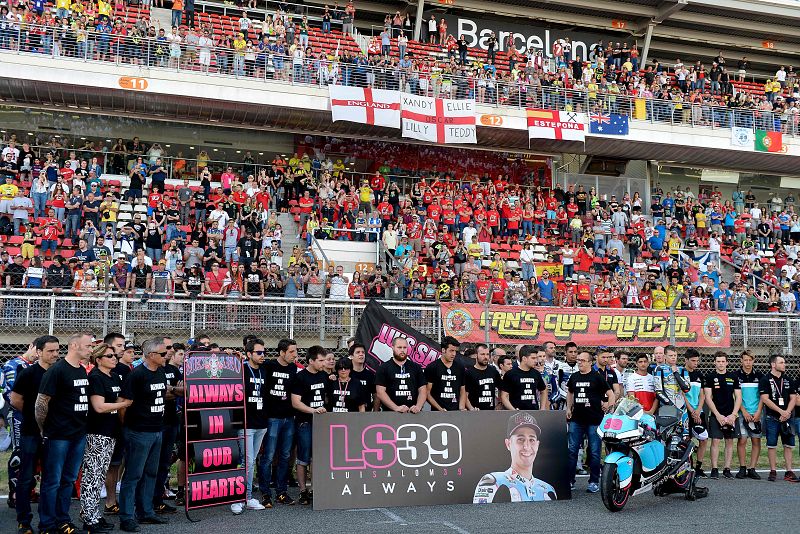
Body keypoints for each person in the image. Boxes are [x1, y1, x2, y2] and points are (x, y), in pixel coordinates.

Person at [35, 332, 93, 534]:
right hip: (58, 435)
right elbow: (41, 403)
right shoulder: (57, 370)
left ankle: (63, 521)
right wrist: (45, 430)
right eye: (88, 346)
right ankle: (47, 525)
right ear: (75, 346)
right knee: (52, 481)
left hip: (78, 434)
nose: (91, 349)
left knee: (68, 480)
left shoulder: (81, 370)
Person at [118, 337, 171, 532]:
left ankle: (146, 512)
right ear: (150, 355)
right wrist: (129, 428)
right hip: (139, 432)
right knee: (133, 475)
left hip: (157, 430)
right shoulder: (137, 375)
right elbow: (123, 402)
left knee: (150, 473)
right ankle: (126, 517)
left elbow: (162, 394)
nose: (167, 355)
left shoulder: (161, 372)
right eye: (163, 353)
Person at [9, 336, 59, 534]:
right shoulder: (28, 374)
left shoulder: (60, 373)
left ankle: (47, 523)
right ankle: (24, 521)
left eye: (57, 350)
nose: (55, 354)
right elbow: (16, 400)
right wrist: (34, 418)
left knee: (51, 480)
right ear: (38, 352)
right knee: (26, 478)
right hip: (30, 433)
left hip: (55, 435)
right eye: (50, 351)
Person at [81, 343, 131, 534]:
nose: (114, 358)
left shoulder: (113, 376)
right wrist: (125, 404)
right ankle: (89, 518)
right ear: (99, 359)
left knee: (100, 475)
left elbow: (116, 400)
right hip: (97, 432)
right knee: (92, 476)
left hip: (111, 431)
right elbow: (99, 406)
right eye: (109, 356)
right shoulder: (95, 377)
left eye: (114, 356)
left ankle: (94, 514)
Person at [473, 412, 557, 503]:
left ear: (537, 445)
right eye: (520, 439)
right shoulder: (494, 482)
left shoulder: (548, 490)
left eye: (532, 440)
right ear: (508, 444)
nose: (527, 446)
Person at [566, 351, 614, 493]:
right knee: (572, 451)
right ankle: (569, 481)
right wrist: (569, 408)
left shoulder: (597, 377)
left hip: (594, 420)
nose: (579, 362)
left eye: (582, 360)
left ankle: (593, 481)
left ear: (590, 362)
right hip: (577, 420)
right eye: (578, 360)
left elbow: (611, 394)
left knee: (594, 452)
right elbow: (570, 392)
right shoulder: (574, 377)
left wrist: (608, 407)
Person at [258, 339, 298, 507]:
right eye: (291, 352)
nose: (295, 355)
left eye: (296, 352)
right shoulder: (268, 366)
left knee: (285, 455)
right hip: (272, 418)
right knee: (268, 456)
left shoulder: (293, 368)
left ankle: (282, 491)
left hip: (289, 418)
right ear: (282, 352)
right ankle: (266, 493)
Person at [232, 338, 269, 514]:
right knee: (246, 461)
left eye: (264, 352)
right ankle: (240, 498)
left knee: (251, 461)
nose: (263, 355)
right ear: (248, 354)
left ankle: (247, 497)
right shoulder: (241, 369)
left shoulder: (265, 370)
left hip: (261, 423)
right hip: (245, 423)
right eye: (259, 352)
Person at [290, 345, 329, 506]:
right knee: (303, 457)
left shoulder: (324, 376)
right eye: (320, 360)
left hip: (320, 422)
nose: (323, 363)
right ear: (311, 360)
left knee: (316, 457)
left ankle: (313, 488)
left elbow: (326, 397)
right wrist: (313, 410)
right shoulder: (300, 377)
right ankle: (302, 490)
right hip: (304, 421)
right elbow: (295, 403)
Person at [3, 342, 37, 510]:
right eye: (36, 351)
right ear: (31, 346)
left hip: (35, 417)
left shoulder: (38, 366)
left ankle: (29, 489)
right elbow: (10, 393)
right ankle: (14, 493)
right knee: (18, 453)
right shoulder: (12, 365)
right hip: (18, 415)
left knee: (33, 454)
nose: (37, 355)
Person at [153, 339, 183, 515]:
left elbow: (184, 390)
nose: (170, 351)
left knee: (164, 464)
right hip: (156, 423)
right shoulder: (153, 370)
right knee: (151, 465)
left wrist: (170, 390)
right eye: (168, 348)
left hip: (171, 421)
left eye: (172, 348)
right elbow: (158, 394)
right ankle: (145, 502)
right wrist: (173, 391)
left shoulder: (172, 370)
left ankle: (158, 499)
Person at [758, 355, 798, 482]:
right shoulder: (765, 379)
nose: (784, 364)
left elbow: (793, 398)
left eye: (784, 362)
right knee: (772, 445)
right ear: (773, 364)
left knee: (788, 445)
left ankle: (789, 471)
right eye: (781, 362)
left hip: (788, 417)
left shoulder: (788, 379)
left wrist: (787, 412)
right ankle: (773, 470)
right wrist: (781, 411)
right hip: (772, 417)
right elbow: (765, 399)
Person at [703, 351, 742, 480]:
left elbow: (738, 397)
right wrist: (718, 415)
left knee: (729, 442)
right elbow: (708, 398)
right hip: (716, 415)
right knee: (715, 441)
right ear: (714, 362)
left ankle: (727, 469)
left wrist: (733, 415)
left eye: (723, 361)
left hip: (731, 415)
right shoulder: (710, 377)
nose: (720, 364)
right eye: (718, 361)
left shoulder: (733, 377)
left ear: (727, 362)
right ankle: (714, 469)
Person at [375, 337, 426, 413]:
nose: (402, 350)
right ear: (392, 347)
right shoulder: (384, 368)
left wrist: (418, 407)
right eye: (399, 347)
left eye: (405, 347)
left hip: (413, 414)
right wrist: (396, 408)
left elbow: (423, 390)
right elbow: (380, 392)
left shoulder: (416, 367)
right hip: (390, 414)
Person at [735, 350, 763, 480]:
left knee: (756, 440)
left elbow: (763, 397)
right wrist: (744, 411)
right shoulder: (736, 375)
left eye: (750, 360)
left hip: (756, 413)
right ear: (741, 360)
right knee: (742, 440)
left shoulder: (760, 375)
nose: (747, 362)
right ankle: (742, 467)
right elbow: (735, 396)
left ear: (753, 360)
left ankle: (752, 468)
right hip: (742, 413)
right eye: (745, 360)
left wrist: (758, 412)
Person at [683, 349, 709, 478]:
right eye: (693, 361)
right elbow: (682, 394)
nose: (695, 363)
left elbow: (702, 395)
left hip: (699, 412)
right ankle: (686, 466)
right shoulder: (681, 374)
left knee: (703, 438)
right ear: (686, 360)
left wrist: (698, 410)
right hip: (686, 413)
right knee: (686, 440)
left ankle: (698, 467)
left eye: (697, 361)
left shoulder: (700, 375)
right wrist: (691, 411)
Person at [500, 345, 548, 411]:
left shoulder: (536, 373)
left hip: (534, 412)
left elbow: (543, 390)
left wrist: (542, 408)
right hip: (516, 412)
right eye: (533, 358)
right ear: (524, 358)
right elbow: (504, 396)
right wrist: (513, 410)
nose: (536, 361)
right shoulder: (511, 374)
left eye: (536, 358)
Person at [425, 336, 466, 411]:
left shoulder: (460, 368)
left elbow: (462, 390)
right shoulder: (432, 367)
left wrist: (462, 408)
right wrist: (439, 409)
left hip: (456, 412)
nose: (454, 354)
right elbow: (427, 393)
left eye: (455, 351)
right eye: (451, 351)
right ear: (443, 350)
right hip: (437, 413)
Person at [465, 344, 500, 411]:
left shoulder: (493, 371)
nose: (485, 357)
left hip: (491, 411)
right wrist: (471, 408)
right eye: (482, 354)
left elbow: (502, 388)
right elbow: (464, 394)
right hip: (475, 411)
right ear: (476, 355)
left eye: (487, 354)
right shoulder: (469, 373)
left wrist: (500, 403)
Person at [348, 343, 376, 411]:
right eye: (358, 352)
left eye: (363, 352)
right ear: (351, 356)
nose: (361, 354)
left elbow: (375, 395)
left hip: (366, 413)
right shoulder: (347, 374)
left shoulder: (370, 375)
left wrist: (375, 410)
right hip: (349, 413)